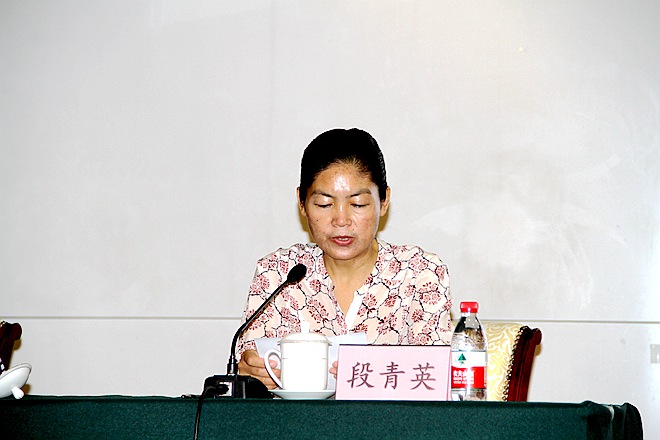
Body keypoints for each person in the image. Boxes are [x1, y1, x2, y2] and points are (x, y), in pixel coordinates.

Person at [236, 128, 452, 389]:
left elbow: (434, 379)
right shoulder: (278, 274)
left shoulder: (419, 273)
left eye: (358, 204)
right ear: (302, 203)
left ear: (384, 201)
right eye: (324, 204)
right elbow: (251, 369)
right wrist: (252, 375)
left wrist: (370, 376)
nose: (341, 220)